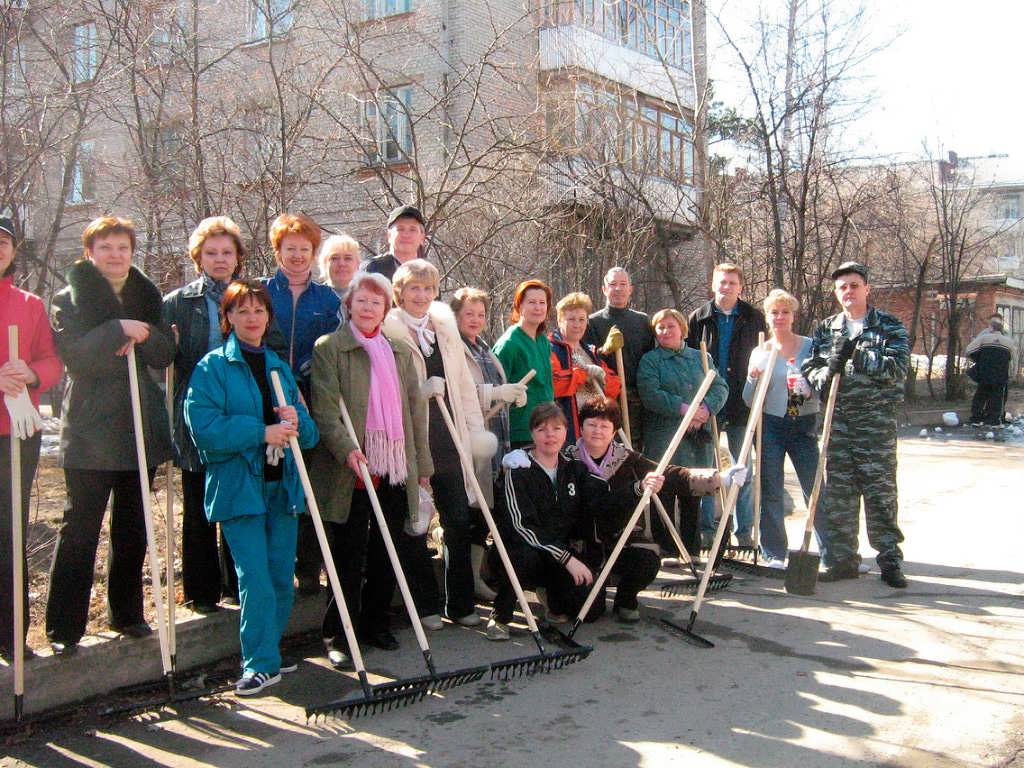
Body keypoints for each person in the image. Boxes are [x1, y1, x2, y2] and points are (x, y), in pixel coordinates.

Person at [46, 216, 175, 656]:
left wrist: (144, 332)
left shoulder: (147, 295)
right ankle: (64, 626)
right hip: (90, 431)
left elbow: (164, 353)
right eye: (106, 247)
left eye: (123, 247)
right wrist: (119, 328)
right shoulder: (68, 299)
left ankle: (127, 613)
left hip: (139, 426)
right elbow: (77, 357)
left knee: (132, 527)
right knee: (80, 529)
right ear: (90, 253)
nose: (115, 255)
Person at [185, 279, 318, 694]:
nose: (252, 318)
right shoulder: (212, 368)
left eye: (259, 310)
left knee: (279, 577)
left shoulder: (279, 367)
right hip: (239, 488)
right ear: (227, 317)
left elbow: (309, 435)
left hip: (282, 488)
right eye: (241, 310)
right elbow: (204, 429)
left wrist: (296, 424)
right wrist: (262, 432)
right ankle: (259, 662)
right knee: (255, 578)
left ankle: (269, 652)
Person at [309, 271, 434, 664]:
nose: (368, 308)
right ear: (349, 305)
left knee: (387, 550)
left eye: (376, 302)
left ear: (385, 309)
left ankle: (376, 623)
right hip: (352, 468)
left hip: (395, 466)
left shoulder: (398, 351)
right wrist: (347, 449)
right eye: (361, 300)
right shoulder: (330, 348)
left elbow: (415, 412)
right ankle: (339, 634)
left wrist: (423, 465)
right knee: (346, 556)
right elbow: (324, 410)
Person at [485, 403, 662, 641]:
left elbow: (603, 501)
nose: (550, 435)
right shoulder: (518, 469)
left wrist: (638, 488)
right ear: (532, 434)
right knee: (522, 557)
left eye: (556, 429)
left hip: (559, 555)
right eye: (542, 429)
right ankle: (500, 616)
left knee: (590, 611)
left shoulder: (574, 469)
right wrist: (567, 559)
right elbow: (521, 527)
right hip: (523, 551)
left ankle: (552, 598)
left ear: (566, 432)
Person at [383, 259, 496, 627]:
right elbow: (387, 391)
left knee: (458, 521)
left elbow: (463, 387)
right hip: (412, 442)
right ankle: (425, 606)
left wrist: (475, 433)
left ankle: (460, 605)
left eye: (428, 288)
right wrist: (420, 391)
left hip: (449, 440)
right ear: (400, 292)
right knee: (416, 523)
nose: (421, 295)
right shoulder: (388, 331)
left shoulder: (444, 330)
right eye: (414, 288)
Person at [565, 398, 739, 621]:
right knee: (588, 614)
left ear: (614, 432)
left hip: (620, 540)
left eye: (604, 426)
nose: (597, 431)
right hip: (581, 546)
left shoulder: (627, 459)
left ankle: (626, 598)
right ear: (581, 427)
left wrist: (719, 478)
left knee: (647, 559)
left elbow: (669, 474)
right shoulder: (567, 461)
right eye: (591, 424)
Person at [802, 261, 910, 588]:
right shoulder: (827, 328)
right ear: (836, 293)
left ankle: (889, 560)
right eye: (842, 287)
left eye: (854, 285)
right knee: (840, 497)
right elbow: (811, 368)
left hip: (875, 426)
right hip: (838, 424)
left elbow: (898, 368)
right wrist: (828, 370)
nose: (848, 291)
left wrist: (857, 356)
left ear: (867, 289)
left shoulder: (888, 325)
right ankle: (843, 560)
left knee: (880, 495)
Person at [163, 216, 247, 613]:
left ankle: (236, 583)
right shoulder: (180, 302)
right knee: (198, 501)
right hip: (197, 412)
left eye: (227, 252)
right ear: (198, 257)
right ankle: (201, 590)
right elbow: (163, 357)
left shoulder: (250, 296)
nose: (220, 259)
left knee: (237, 497)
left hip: (241, 410)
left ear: (237, 257)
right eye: (211, 253)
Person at [260, 212, 339, 595]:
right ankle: (268, 566)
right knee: (269, 482)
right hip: (265, 397)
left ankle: (307, 569)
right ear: (278, 251)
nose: (296, 256)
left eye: (304, 249)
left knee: (307, 485)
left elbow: (331, 347)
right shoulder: (260, 292)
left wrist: (308, 373)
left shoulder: (327, 298)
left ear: (313, 253)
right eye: (289, 248)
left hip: (310, 399)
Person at [0, 217, 61, 661]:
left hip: (16, 433)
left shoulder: (29, 304)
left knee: (10, 530)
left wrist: (32, 373)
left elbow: (52, 361)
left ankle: (11, 634)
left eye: (4, 242)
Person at [451, 286, 527, 599]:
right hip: (469, 441)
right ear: (455, 315)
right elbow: (456, 393)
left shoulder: (484, 348)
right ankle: (465, 582)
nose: (475, 319)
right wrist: (495, 394)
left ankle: (478, 575)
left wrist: (512, 394)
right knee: (471, 512)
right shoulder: (452, 348)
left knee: (486, 512)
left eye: (480, 314)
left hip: (494, 442)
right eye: (468, 313)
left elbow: (494, 387)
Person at [686, 263, 767, 548]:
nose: (726, 287)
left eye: (732, 282)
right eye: (721, 282)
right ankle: (708, 531)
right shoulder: (699, 318)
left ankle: (744, 532)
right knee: (707, 468)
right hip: (709, 403)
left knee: (742, 468)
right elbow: (690, 360)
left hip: (742, 403)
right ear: (713, 284)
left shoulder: (754, 318)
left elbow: (763, 356)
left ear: (740, 286)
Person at [742, 289, 823, 568]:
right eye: (774, 312)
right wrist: (753, 378)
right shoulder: (760, 351)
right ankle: (774, 552)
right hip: (771, 426)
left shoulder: (810, 347)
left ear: (793, 316)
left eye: (785, 312)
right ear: (767, 317)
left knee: (815, 487)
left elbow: (823, 385)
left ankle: (829, 551)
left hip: (804, 424)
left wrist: (809, 389)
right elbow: (749, 400)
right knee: (771, 489)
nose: (779, 317)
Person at [637, 309, 728, 554]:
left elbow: (720, 387)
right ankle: (667, 548)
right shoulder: (651, 361)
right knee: (664, 491)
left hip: (697, 437)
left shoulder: (701, 357)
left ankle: (691, 548)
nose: (666, 331)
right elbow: (650, 393)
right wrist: (685, 409)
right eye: (660, 327)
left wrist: (705, 409)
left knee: (693, 492)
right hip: (664, 437)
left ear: (682, 330)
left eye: (671, 326)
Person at [584, 267, 655, 449]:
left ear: (630, 289)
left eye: (623, 284)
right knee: (608, 446)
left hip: (637, 398)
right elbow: (586, 358)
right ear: (604, 289)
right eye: (613, 284)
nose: (618, 289)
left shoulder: (642, 321)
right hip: (606, 396)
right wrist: (604, 350)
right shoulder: (592, 322)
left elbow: (651, 358)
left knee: (635, 447)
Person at [550, 292, 620, 442]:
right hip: (566, 425)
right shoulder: (550, 348)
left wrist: (603, 378)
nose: (577, 324)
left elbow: (615, 387)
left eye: (582, 319)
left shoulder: (590, 351)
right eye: (571, 319)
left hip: (595, 428)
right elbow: (553, 383)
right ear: (560, 320)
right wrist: (583, 375)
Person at [493, 280, 555, 448]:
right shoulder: (509, 344)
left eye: (542, 303)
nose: (538, 307)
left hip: (546, 426)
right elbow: (495, 388)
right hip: (521, 431)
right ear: (519, 306)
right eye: (532, 302)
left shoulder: (543, 340)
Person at [965, 314, 1016, 426]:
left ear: (991, 328)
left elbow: (969, 350)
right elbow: (1012, 358)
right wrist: (1011, 372)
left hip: (985, 372)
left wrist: (978, 360)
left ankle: (976, 418)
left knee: (981, 395)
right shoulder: (1008, 342)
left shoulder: (984, 338)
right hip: (1000, 374)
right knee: (998, 397)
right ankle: (994, 420)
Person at [364, 205, 427, 281]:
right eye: (400, 229)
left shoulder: (427, 273)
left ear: (422, 237)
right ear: (389, 235)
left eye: (412, 229)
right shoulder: (372, 269)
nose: (406, 234)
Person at [318, 233, 361, 324]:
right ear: (324, 263)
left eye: (348, 258)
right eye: (334, 258)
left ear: (358, 264)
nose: (341, 264)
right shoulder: (313, 298)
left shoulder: (369, 297)